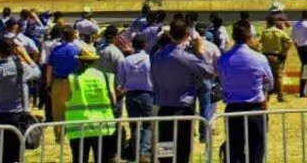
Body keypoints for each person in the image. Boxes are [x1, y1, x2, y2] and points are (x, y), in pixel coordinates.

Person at [151, 20, 216, 163]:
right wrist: (200, 51)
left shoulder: (157, 56)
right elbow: (210, 72)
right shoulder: (185, 57)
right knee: (181, 153)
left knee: (165, 152)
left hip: (163, 110)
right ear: (187, 34)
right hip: (181, 111)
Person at [218, 20, 273, 163]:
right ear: (249, 36)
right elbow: (270, 82)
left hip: (233, 108)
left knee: (234, 150)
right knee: (256, 149)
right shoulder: (259, 58)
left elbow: (220, 79)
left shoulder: (223, 59)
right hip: (255, 108)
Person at [0, 36, 41, 163]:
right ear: (14, 50)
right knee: (16, 154)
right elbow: (37, 72)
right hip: (17, 117)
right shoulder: (22, 67)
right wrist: (25, 55)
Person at [65, 45, 118, 163]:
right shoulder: (106, 77)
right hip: (103, 126)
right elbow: (113, 101)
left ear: (79, 59)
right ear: (95, 60)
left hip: (78, 128)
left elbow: (65, 99)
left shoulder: (72, 79)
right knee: (103, 159)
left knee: (79, 159)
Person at [117, 33, 154, 163]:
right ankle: (144, 151)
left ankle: (135, 149)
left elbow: (121, 81)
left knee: (134, 125)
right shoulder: (150, 59)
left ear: (133, 45)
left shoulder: (126, 60)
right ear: (145, 45)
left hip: (131, 95)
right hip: (147, 94)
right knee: (148, 125)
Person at [47, 25, 82, 142]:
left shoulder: (55, 51)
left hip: (57, 81)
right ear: (73, 36)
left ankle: (59, 136)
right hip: (73, 81)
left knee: (57, 111)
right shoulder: (77, 50)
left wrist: (48, 84)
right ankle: (74, 134)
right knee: (74, 109)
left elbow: (49, 70)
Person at [258, 15, 292, 103]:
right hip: (276, 56)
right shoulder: (279, 32)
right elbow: (289, 41)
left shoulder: (264, 32)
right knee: (278, 76)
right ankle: (280, 95)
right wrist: (284, 52)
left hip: (265, 56)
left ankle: (266, 95)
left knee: (265, 76)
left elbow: (258, 42)